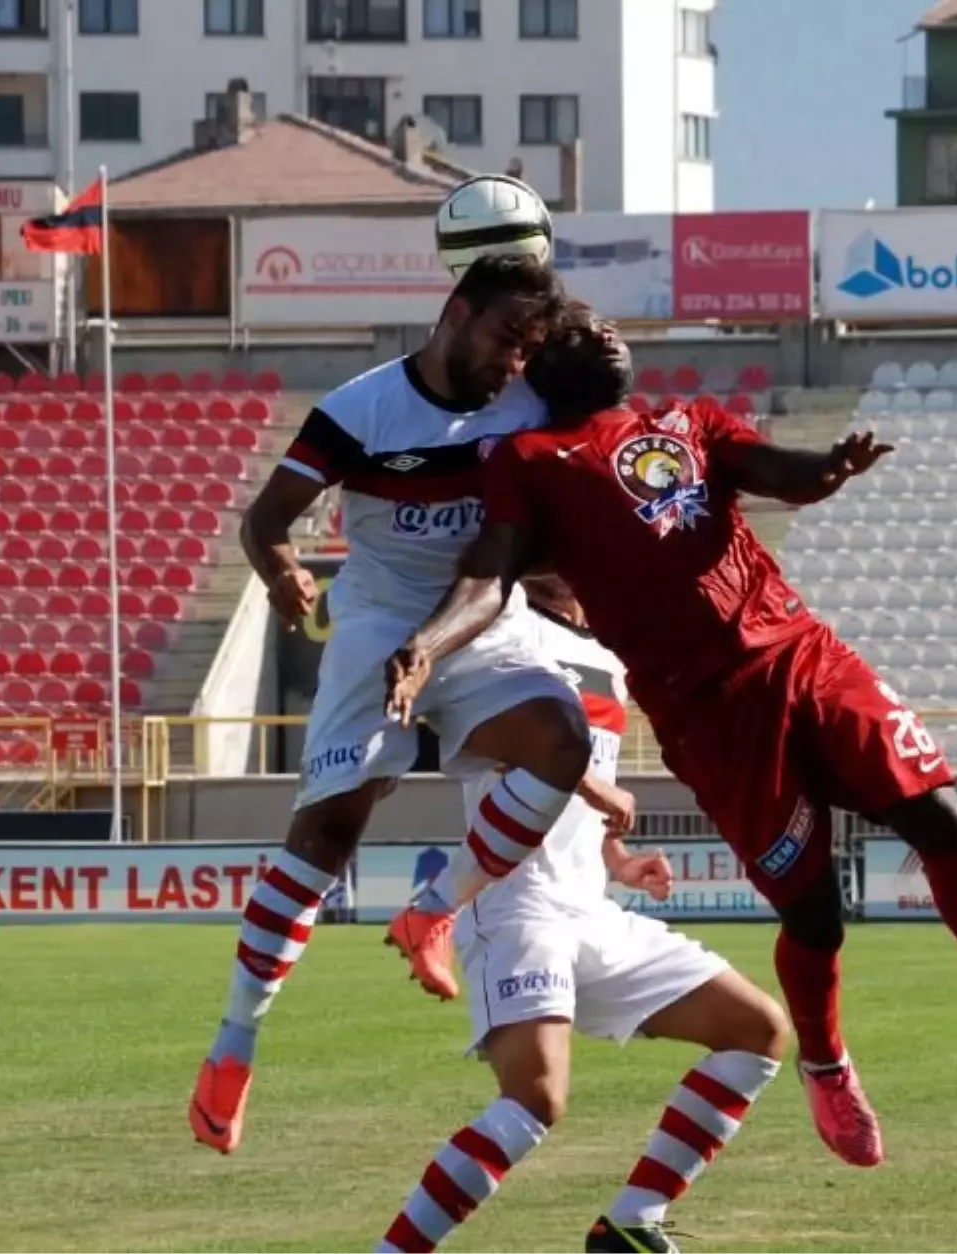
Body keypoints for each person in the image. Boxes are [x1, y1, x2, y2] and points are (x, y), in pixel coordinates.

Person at [383, 309, 957, 1171]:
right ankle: (827, 1065)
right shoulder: (530, 461)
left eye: (609, 327)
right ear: (543, 365)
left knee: (942, 820)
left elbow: (777, 472)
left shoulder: (690, 423)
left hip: (803, 654)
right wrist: (427, 643)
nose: (608, 335)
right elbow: (488, 568)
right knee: (814, 913)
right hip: (708, 713)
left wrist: (827, 469)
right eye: (583, 331)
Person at [189, 257, 610, 1156]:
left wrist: (548, 576)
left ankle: (433, 910)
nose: (513, 362)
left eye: (528, 348)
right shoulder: (360, 409)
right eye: (505, 339)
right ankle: (234, 1044)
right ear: (456, 314)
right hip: (378, 626)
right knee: (328, 837)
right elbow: (263, 521)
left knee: (562, 737)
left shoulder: (529, 405)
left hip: (480, 623)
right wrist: (283, 571)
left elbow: (513, 541)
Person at [377, 575, 788, 1254]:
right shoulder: (499, 619)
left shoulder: (608, 650)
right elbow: (483, 739)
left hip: (589, 906)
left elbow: (574, 787)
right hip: (514, 904)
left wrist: (617, 859)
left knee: (757, 1029)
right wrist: (595, 785)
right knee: (535, 1100)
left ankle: (631, 1223)